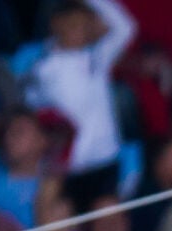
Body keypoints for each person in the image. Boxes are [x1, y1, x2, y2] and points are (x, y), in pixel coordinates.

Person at [25, 0, 135, 205]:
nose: (80, 32)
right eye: (74, 25)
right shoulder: (42, 69)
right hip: (71, 167)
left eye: (85, 26)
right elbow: (36, 115)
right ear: (57, 25)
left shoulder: (96, 57)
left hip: (106, 161)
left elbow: (126, 28)